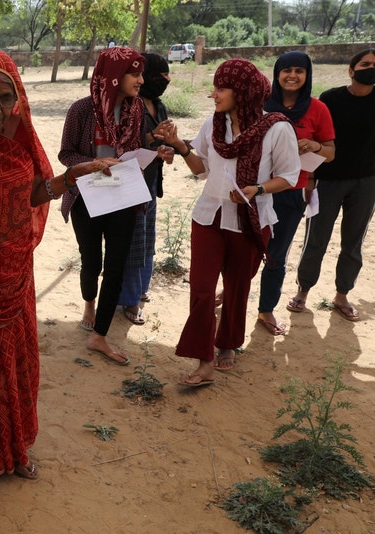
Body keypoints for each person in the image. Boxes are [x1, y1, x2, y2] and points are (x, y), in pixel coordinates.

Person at [0, 50, 107, 481]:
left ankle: (15, 448)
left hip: (16, 276)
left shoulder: (23, 136)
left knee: (16, 366)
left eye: (5, 97)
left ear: (17, 95)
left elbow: (36, 193)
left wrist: (77, 174)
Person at [158, 59, 300, 386]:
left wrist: (258, 189)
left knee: (237, 288)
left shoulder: (277, 128)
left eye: (221, 88)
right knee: (203, 289)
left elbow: (290, 177)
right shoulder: (213, 124)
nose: (213, 94)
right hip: (208, 216)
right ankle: (204, 361)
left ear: (243, 92)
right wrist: (180, 146)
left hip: (250, 221)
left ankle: (227, 343)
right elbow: (201, 168)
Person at [288, 49, 375, 322]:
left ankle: (342, 295)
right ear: (351, 70)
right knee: (316, 239)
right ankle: (303, 290)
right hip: (327, 180)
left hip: (365, 180)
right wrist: (310, 179)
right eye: (365, 64)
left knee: (353, 241)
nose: (371, 68)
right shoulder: (331, 98)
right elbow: (316, 137)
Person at [59, 47, 158, 365]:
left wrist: (155, 147)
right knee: (91, 262)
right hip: (86, 200)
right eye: (135, 73)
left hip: (123, 199)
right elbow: (66, 155)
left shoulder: (137, 110)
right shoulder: (80, 110)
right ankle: (89, 303)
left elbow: (136, 148)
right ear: (114, 76)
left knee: (116, 267)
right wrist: (94, 163)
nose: (141, 81)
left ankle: (99, 336)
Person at [256, 51, 335, 334]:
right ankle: (230, 294)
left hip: (292, 192)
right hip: (256, 189)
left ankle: (266, 310)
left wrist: (314, 146)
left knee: (276, 255)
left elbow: (330, 153)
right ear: (277, 74)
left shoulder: (317, 109)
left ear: (307, 75)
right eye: (286, 70)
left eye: (299, 71)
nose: (292, 75)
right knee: (244, 248)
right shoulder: (261, 105)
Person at [118, 52, 174, 326]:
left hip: (151, 181)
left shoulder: (159, 105)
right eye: (161, 76)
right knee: (134, 240)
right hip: (131, 183)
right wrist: (154, 137)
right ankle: (129, 299)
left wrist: (168, 147)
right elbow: (127, 145)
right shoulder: (131, 106)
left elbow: (158, 143)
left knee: (147, 237)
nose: (167, 80)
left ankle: (140, 289)